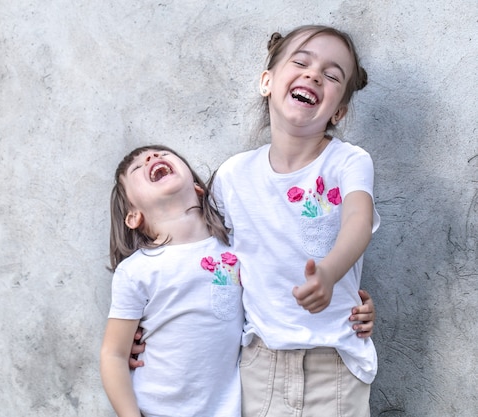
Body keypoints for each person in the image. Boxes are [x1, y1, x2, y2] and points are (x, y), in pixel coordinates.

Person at [210, 25, 379, 416]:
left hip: (334, 362)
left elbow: (358, 219)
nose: (314, 74)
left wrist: (329, 275)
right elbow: (211, 262)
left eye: (332, 75)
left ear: (338, 110)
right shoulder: (232, 176)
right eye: (300, 62)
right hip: (259, 364)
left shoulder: (349, 162)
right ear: (267, 81)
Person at [100, 145, 244, 417]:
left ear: (197, 187)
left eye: (161, 154)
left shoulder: (236, 249)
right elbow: (114, 355)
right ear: (133, 216)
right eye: (137, 168)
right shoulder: (137, 271)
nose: (153, 158)